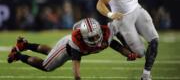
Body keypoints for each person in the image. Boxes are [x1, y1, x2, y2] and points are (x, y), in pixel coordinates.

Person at [96, 0, 159, 80]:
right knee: (140, 53)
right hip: (123, 18)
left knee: (154, 40)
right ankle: (115, 28)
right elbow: (100, 4)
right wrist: (110, 15)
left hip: (136, 8)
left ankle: (146, 76)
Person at [7, 18, 138, 80]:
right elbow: (76, 72)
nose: (94, 40)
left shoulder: (107, 34)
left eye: (96, 36)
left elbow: (118, 46)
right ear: (83, 35)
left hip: (71, 48)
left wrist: (129, 54)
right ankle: (18, 56)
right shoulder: (78, 42)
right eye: (90, 38)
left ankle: (25, 45)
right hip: (66, 48)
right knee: (46, 66)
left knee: (50, 52)